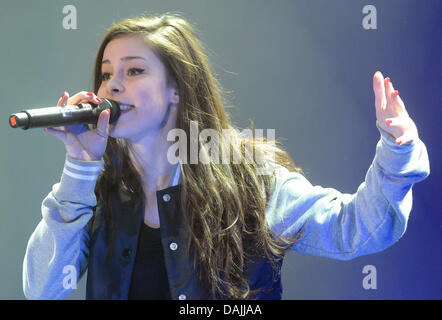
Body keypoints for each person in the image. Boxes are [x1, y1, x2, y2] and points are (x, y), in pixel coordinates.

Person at [22, 13, 430, 300]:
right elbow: (41, 288)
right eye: (106, 73)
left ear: (176, 90)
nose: (112, 86)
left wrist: (398, 152)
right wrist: (80, 165)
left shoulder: (249, 179)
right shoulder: (94, 186)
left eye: (134, 71)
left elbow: (354, 229)